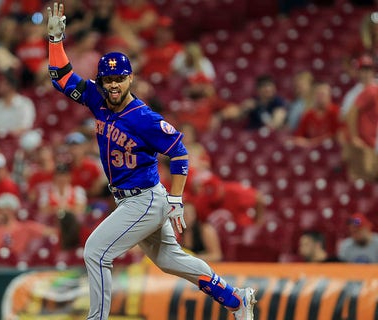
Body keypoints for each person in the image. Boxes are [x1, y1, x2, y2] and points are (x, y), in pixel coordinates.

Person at [45, 4, 256, 320]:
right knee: (171, 260)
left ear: (130, 78)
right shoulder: (97, 100)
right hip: (132, 200)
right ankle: (236, 300)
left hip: (144, 199)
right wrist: (55, 40)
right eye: (107, 79)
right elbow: (61, 78)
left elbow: (180, 152)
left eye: (119, 78)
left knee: (96, 251)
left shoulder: (143, 117)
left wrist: (176, 198)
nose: (113, 85)